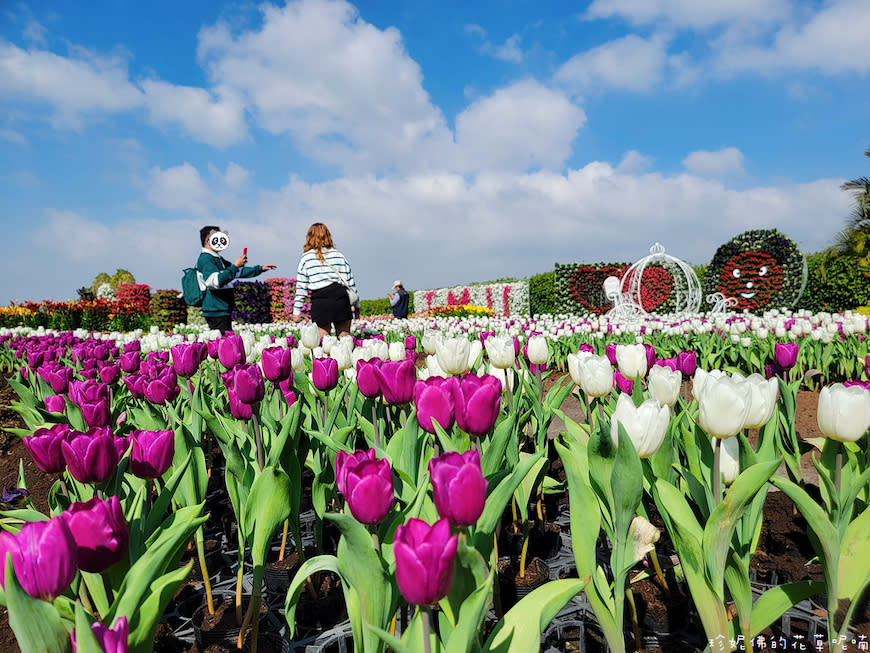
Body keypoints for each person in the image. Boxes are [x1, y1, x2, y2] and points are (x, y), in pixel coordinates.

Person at [197, 225, 276, 334]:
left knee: (225, 342)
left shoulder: (216, 258)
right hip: (216, 310)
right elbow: (215, 282)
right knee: (223, 344)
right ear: (208, 239)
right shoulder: (206, 259)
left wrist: (260, 269)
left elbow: (237, 272)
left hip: (221, 309)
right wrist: (235, 266)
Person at [291, 222, 358, 338]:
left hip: (320, 301)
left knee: (323, 342)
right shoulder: (339, 255)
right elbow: (350, 283)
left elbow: (301, 287)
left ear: (309, 237)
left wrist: (297, 311)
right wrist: (357, 305)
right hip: (341, 299)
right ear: (328, 236)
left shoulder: (306, 258)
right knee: (345, 341)